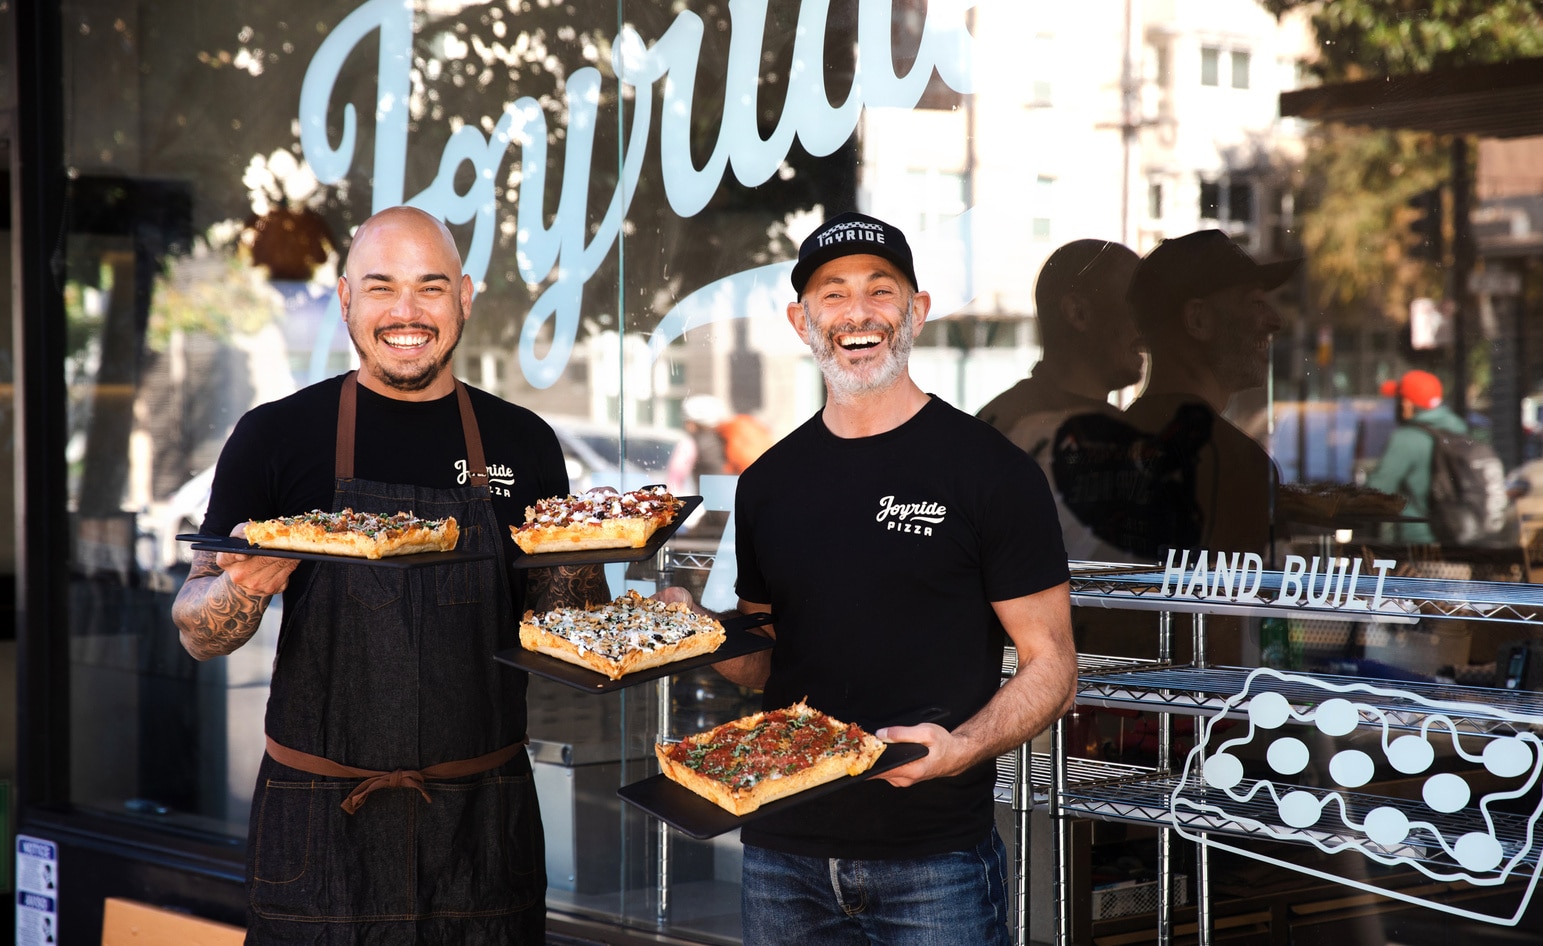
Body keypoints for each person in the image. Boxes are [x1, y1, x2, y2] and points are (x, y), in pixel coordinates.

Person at [171, 206, 605, 945]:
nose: (406, 313)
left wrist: (633, 597)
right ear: (345, 298)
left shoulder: (523, 442)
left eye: (430, 288)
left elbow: (569, 631)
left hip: (481, 828)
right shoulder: (276, 436)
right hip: (318, 829)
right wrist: (245, 586)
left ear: (465, 297)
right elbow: (196, 631)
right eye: (381, 288)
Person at [664, 211, 1078, 945]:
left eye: (881, 291)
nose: (857, 313)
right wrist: (691, 631)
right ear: (801, 321)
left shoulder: (990, 472)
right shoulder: (768, 483)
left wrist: (959, 749)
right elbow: (760, 665)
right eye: (833, 293)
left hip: (934, 861)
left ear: (916, 312)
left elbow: (1053, 668)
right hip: (782, 853)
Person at [1114, 228, 1298, 558]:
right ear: (1198, 319)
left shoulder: (1107, 444)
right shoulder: (1237, 464)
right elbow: (1252, 606)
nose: (1275, 320)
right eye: (1255, 302)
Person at [977, 239, 1142, 562]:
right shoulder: (1024, 429)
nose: (1147, 325)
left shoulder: (999, 418)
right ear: (1079, 313)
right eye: (1136, 304)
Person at [1366, 369, 1469, 544]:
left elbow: (1375, 492)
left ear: (1406, 404)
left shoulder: (1405, 439)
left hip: (1417, 548)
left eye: (1398, 400)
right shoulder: (1459, 429)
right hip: (1457, 540)